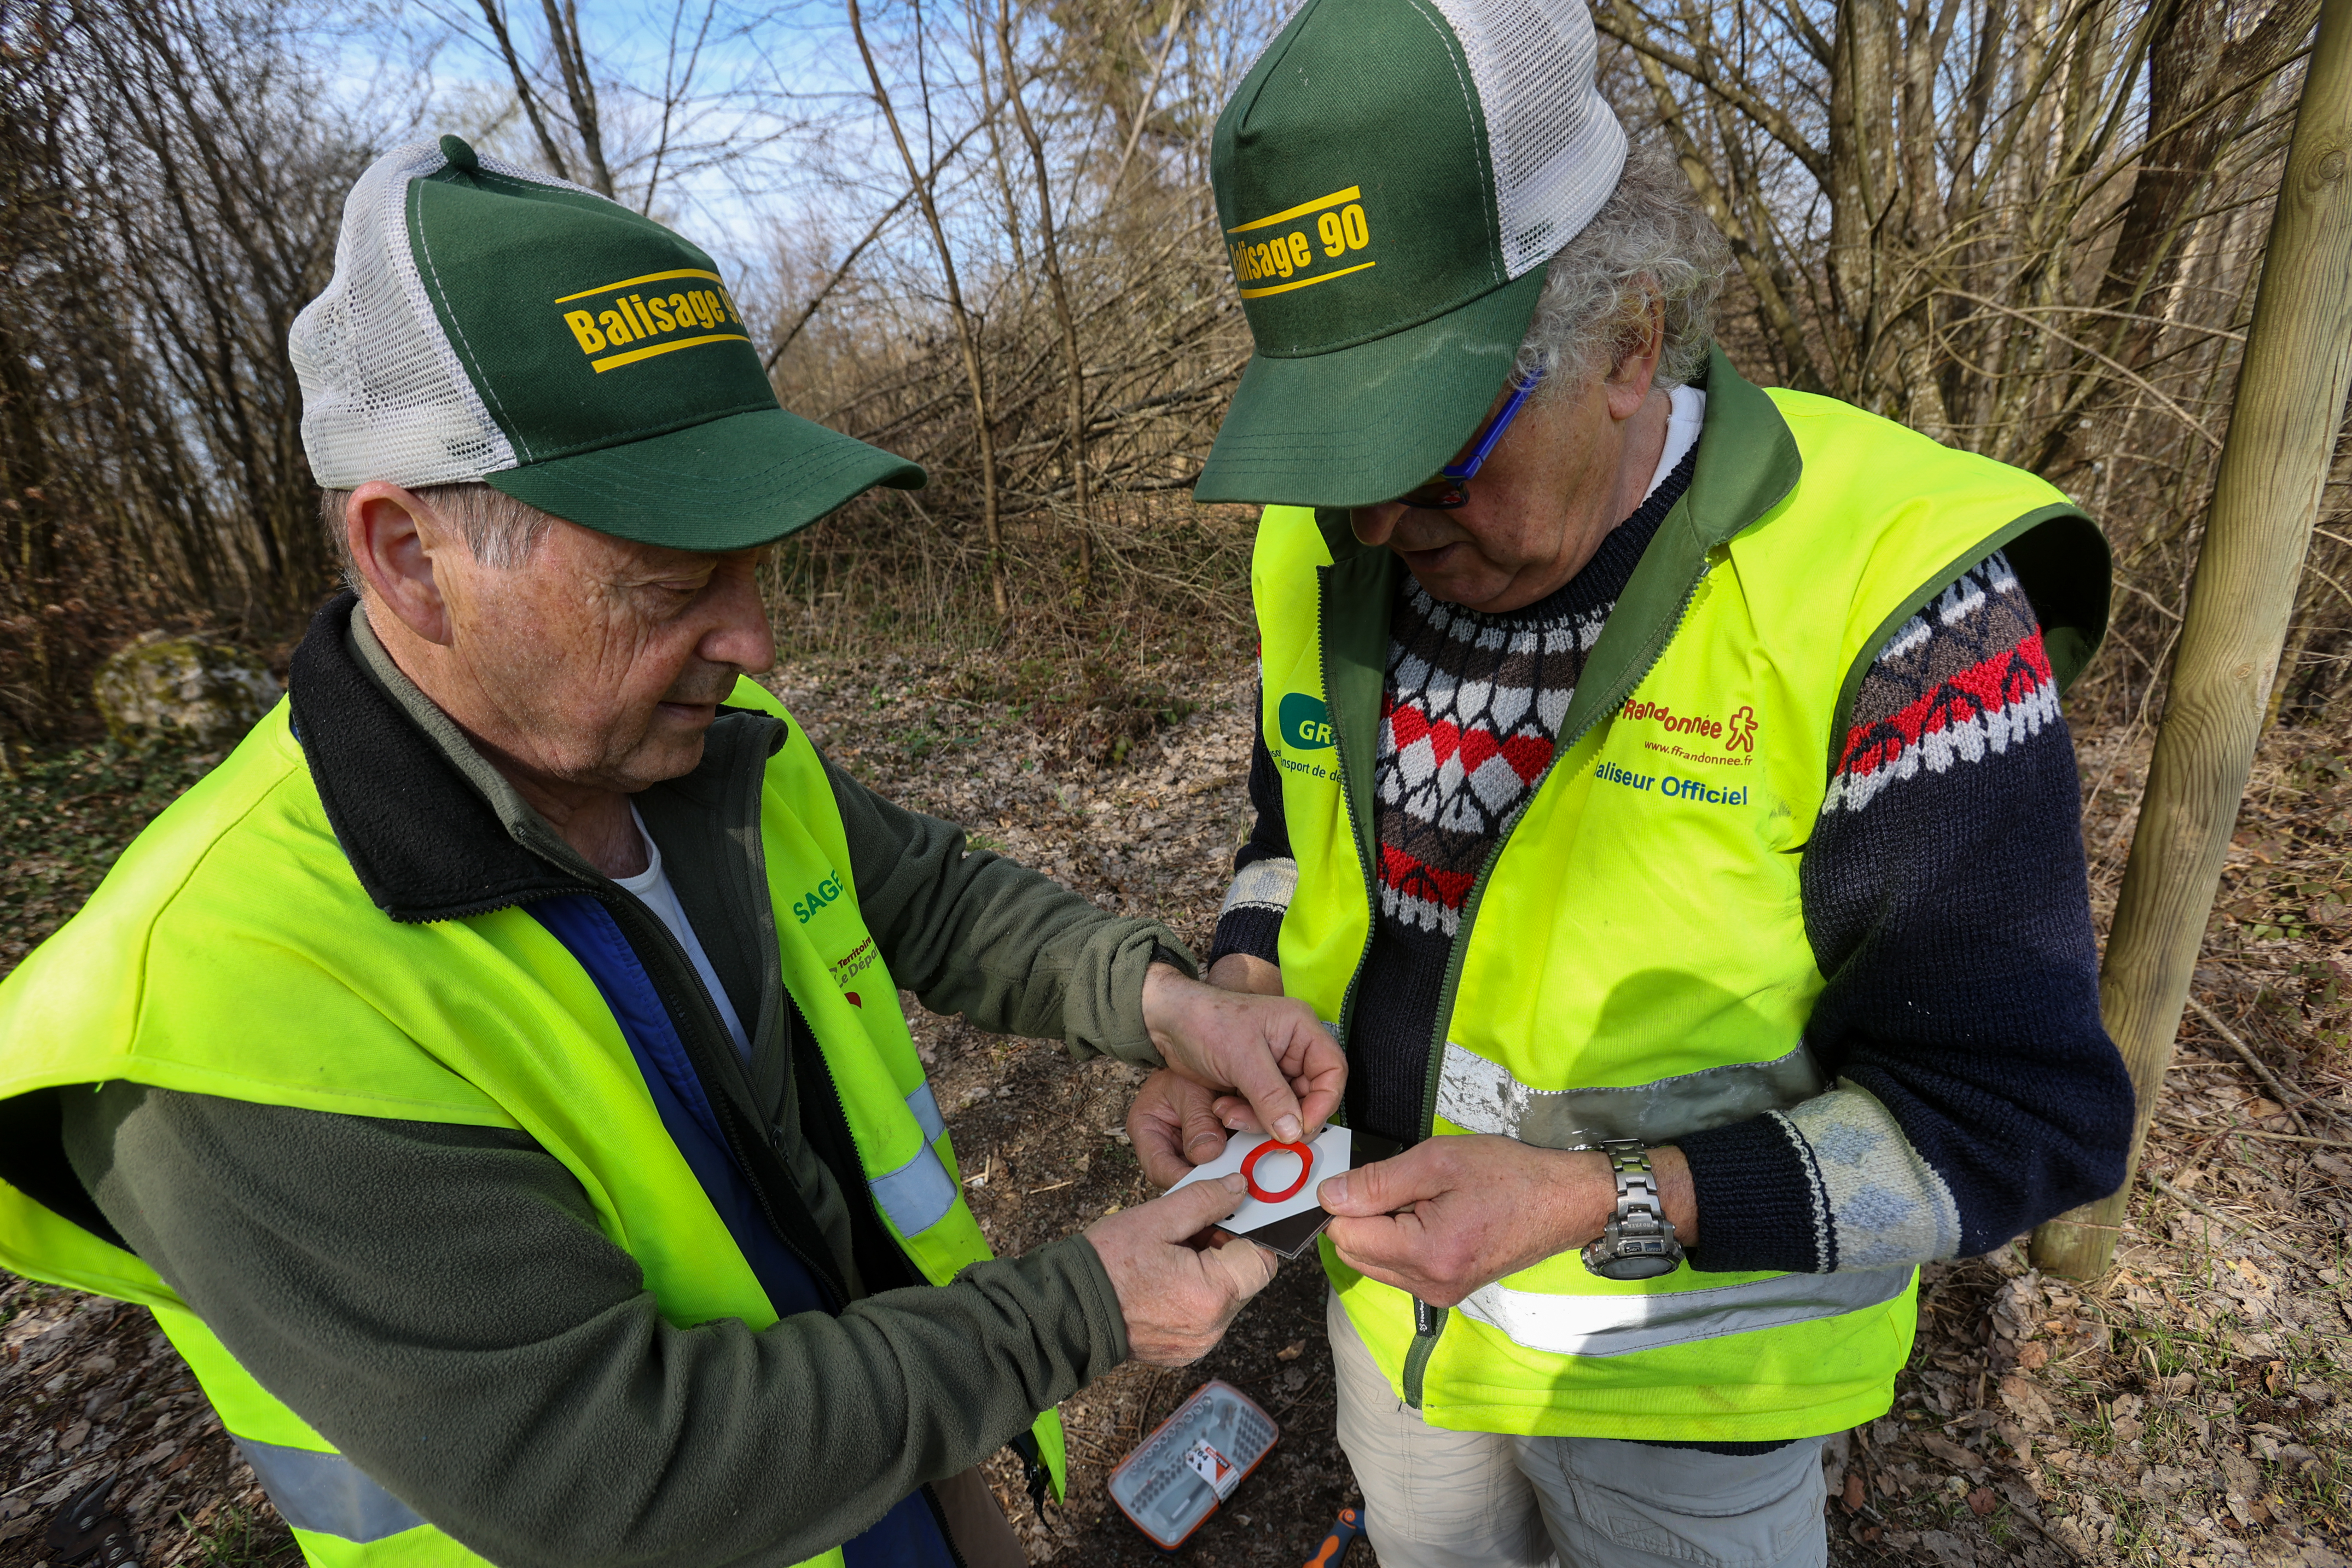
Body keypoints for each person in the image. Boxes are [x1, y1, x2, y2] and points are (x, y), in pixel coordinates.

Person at [0, 136, 1345, 1568]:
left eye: (756, 565)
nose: (754, 643)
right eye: (667, 583)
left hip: (894, 1474)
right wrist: (1076, 1311)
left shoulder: (700, 740)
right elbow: (609, 1475)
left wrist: (1156, 1000)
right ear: (408, 556)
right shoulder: (223, 1002)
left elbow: (918, 893)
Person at [1127, 1, 2137, 1564]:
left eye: (1437, 449)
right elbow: (1289, 822)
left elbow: (2014, 1125)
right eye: (1339, 456)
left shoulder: (1895, 605)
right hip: (1395, 1333)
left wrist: (1602, 1198)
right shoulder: (1317, 549)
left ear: (1628, 333)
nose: (1378, 521)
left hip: (1685, 1400)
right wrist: (1240, 980)